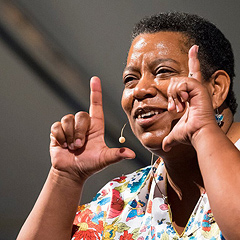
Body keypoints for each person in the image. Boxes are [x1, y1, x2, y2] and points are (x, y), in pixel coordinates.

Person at [17, 12, 240, 240]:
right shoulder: (120, 201)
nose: (140, 90)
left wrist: (203, 130)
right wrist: (65, 177)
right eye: (130, 79)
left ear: (216, 89)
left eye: (163, 71)